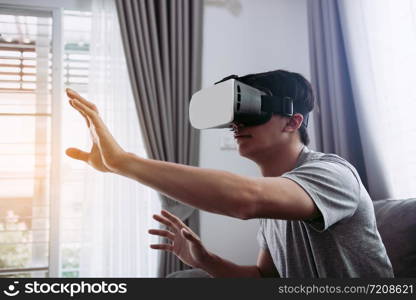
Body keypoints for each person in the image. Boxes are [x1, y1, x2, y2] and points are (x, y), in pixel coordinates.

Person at [66, 69, 394, 278]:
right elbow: (263, 278)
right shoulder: (275, 201)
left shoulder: (332, 173)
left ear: (293, 122)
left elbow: (243, 200)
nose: (237, 125)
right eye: (235, 116)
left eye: (250, 113)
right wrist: (204, 259)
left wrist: (123, 161)